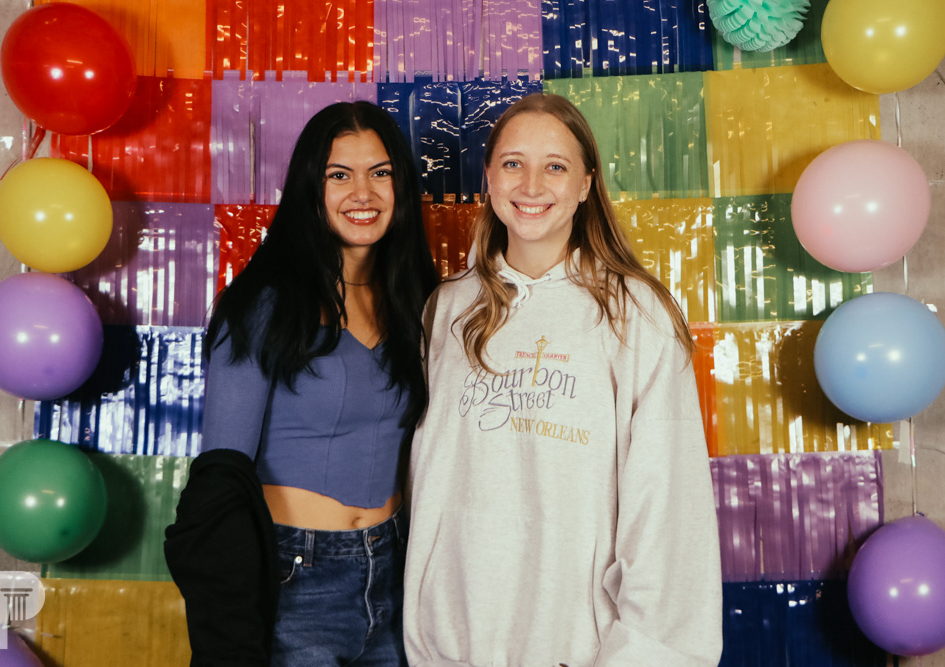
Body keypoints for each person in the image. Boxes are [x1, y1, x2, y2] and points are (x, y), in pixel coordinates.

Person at [403, 93, 723, 666]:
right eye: (513, 163)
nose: (531, 185)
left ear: (585, 185)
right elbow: (433, 481)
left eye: (555, 166)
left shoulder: (634, 313)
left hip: (579, 647)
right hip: (452, 643)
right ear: (488, 177)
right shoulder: (446, 308)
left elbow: (668, 506)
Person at [165, 100, 439, 667]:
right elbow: (219, 484)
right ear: (310, 188)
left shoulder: (418, 301)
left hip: (396, 575)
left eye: (380, 173)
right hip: (297, 577)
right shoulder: (263, 305)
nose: (362, 193)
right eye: (339, 175)